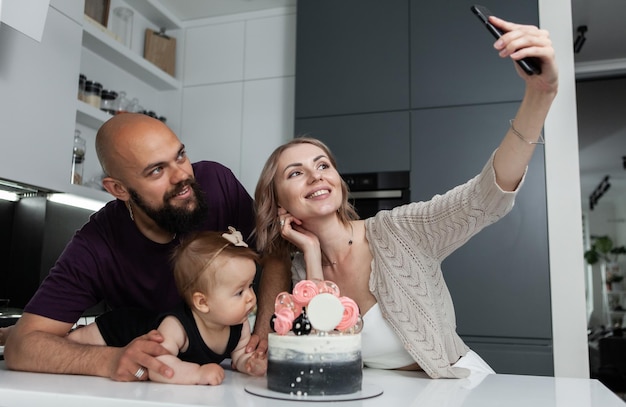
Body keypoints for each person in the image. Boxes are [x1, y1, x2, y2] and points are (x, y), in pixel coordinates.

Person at [254, 16, 558, 379]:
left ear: (337, 180)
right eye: (296, 172)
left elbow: (485, 198)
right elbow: (320, 357)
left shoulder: (399, 231)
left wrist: (540, 95)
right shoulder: (299, 273)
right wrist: (311, 253)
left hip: (456, 388)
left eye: (322, 165)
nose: (316, 175)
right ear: (279, 204)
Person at [4, 113, 289, 381]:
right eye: (156, 171)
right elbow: (23, 345)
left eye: (180, 155)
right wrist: (110, 361)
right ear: (119, 189)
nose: (181, 177)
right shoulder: (97, 243)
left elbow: (274, 253)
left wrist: (264, 329)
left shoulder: (217, 182)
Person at [67, 228, 267, 385]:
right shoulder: (176, 327)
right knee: (74, 342)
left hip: (136, 323)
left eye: (250, 286)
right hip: (121, 328)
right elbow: (157, 365)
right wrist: (197, 374)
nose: (251, 297)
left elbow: (239, 355)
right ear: (203, 303)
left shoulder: (239, 325)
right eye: (239, 292)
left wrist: (249, 364)